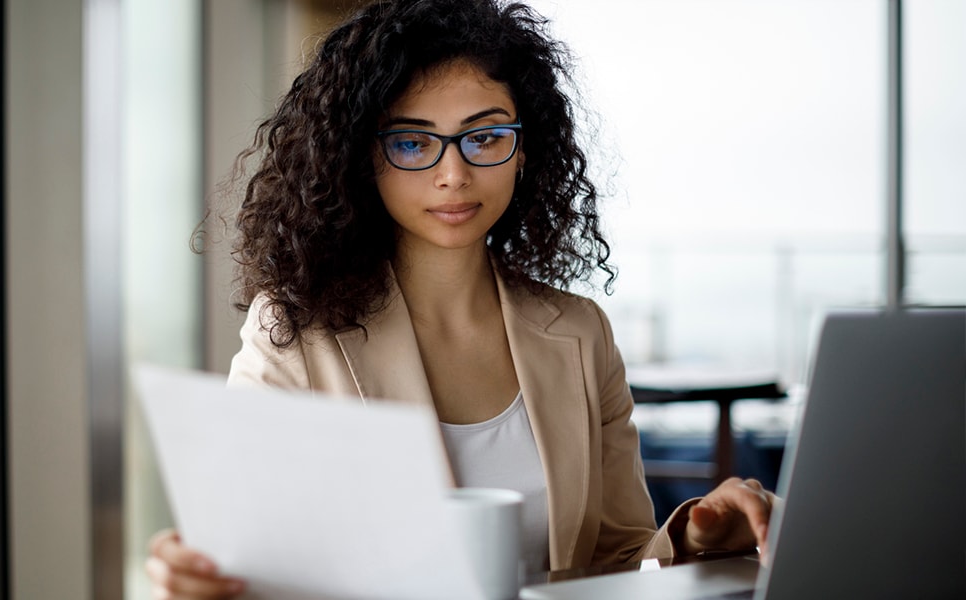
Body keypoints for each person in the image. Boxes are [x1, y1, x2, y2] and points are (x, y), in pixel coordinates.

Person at [146, 0, 776, 597]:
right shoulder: (293, 332)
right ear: (364, 157)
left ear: (524, 149)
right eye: (413, 142)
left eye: (485, 136)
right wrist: (200, 579)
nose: (454, 174)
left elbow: (616, 560)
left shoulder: (581, 333)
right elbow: (256, 561)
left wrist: (694, 537)